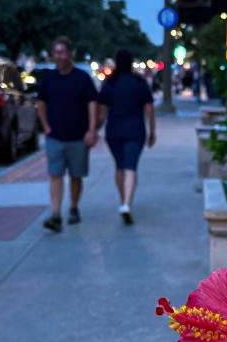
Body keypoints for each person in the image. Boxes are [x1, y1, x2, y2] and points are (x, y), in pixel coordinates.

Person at [37, 38, 99, 232]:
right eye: (56, 53)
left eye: (62, 52)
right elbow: (41, 103)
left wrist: (92, 129)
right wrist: (45, 125)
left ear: (71, 53)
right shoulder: (48, 78)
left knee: (76, 175)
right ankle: (55, 214)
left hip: (78, 137)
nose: (59, 57)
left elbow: (92, 104)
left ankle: (73, 207)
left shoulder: (82, 78)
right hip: (54, 136)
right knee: (55, 175)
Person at [97, 48, 155, 225]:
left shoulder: (109, 83)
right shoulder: (139, 83)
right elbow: (149, 109)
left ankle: (123, 201)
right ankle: (127, 204)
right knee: (131, 167)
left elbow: (102, 112)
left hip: (114, 130)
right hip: (135, 130)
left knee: (120, 166)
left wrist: (94, 128)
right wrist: (153, 131)